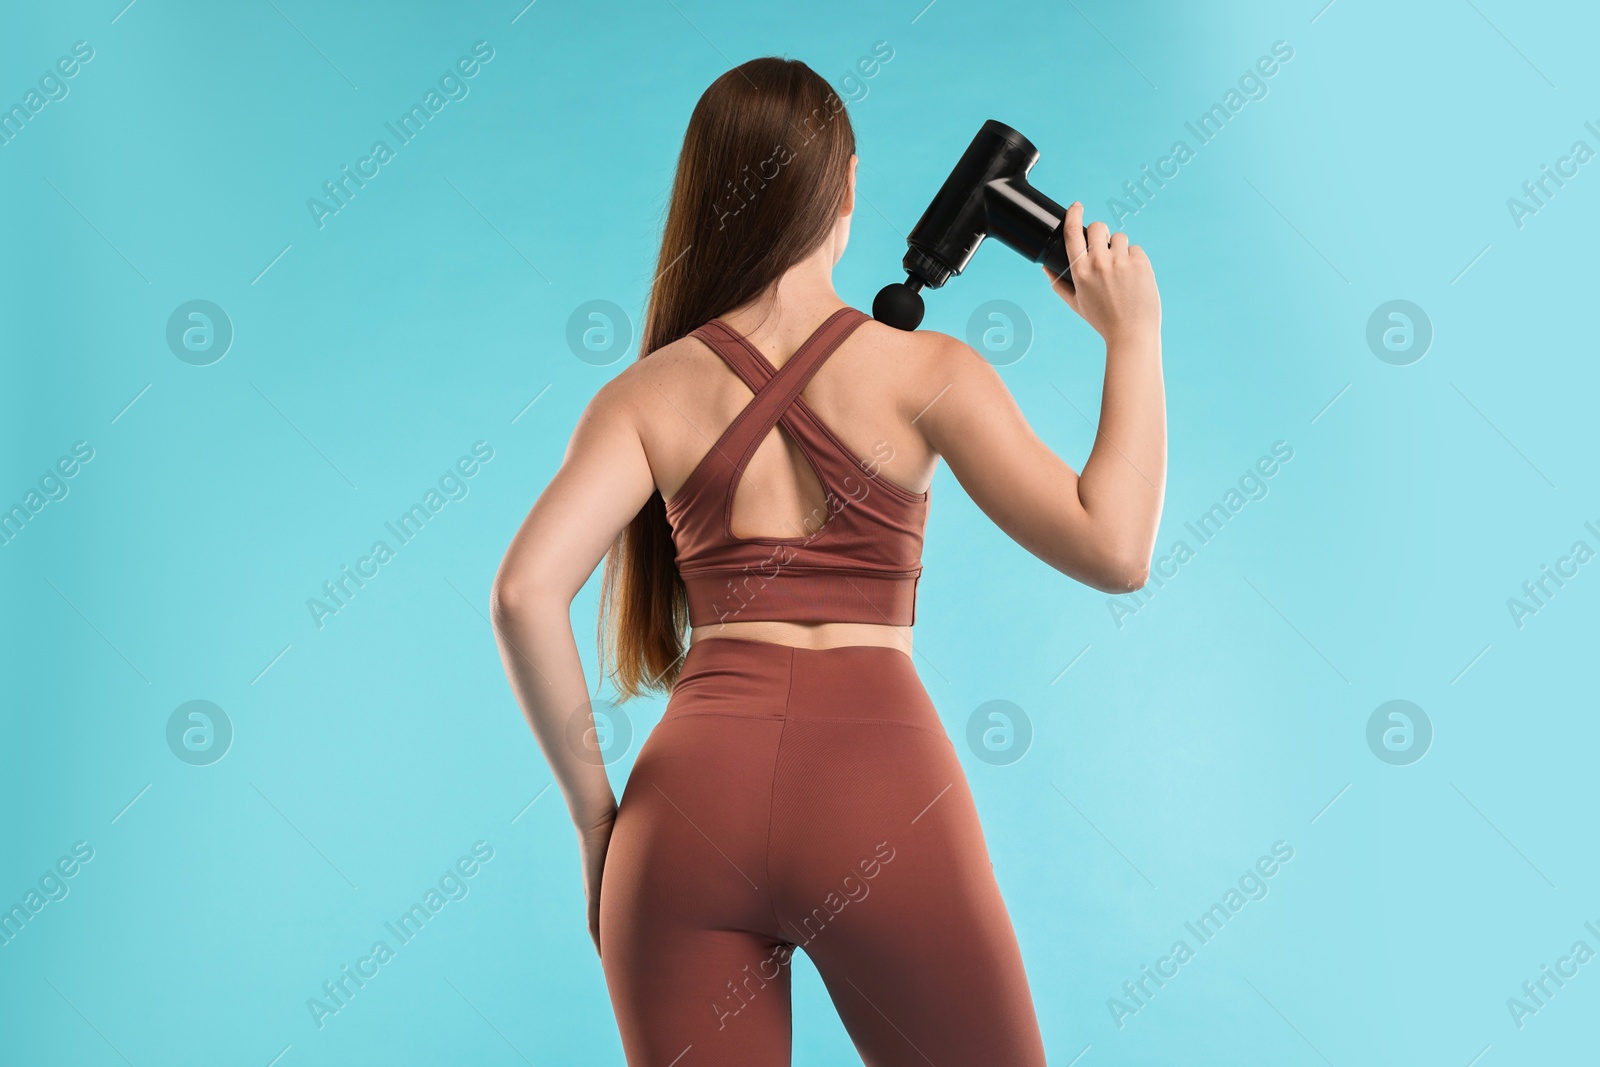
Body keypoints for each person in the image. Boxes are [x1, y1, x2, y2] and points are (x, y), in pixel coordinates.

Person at [491, 55, 1164, 1066]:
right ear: (845, 185)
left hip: (683, 815)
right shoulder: (926, 371)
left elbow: (522, 592)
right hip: (875, 788)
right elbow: (1116, 549)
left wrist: (598, 823)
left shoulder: (645, 394)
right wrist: (1134, 336)